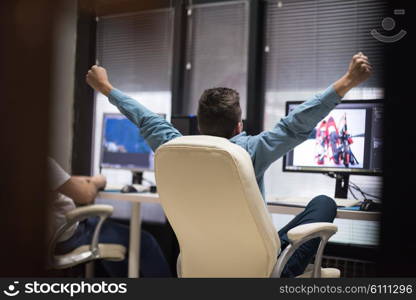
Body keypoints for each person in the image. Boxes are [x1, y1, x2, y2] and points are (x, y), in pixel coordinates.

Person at [85, 52, 372, 277]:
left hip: (201, 262)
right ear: (239, 126)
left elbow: (145, 118)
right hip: (259, 265)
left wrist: (106, 87)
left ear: (199, 124)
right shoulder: (248, 151)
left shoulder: (174, 148)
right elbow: (295, 124)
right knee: (324, 202)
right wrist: (347, 81)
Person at [48, 158, 171, 277]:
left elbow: (66, 181)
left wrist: (88, 181)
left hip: (49, 240)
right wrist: (97, 181)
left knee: (115, 250)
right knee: (145, 241)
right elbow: (85, 195)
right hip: (69, 237)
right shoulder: (43, 162)